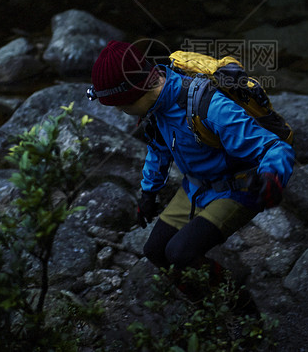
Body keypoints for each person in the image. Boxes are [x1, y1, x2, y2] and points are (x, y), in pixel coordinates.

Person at [87, 40, 295, 295]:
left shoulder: (209, 107)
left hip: (239, 187)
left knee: (181, 252)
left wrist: (272, 177)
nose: (120, 110)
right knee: (154, 251)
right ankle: (203, 309)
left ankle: (242, 312)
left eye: (121, 105)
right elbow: (158, 148)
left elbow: (274, 147)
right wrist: (148, 192)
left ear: (136, 92)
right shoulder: (156, 108)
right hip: (196, 186)